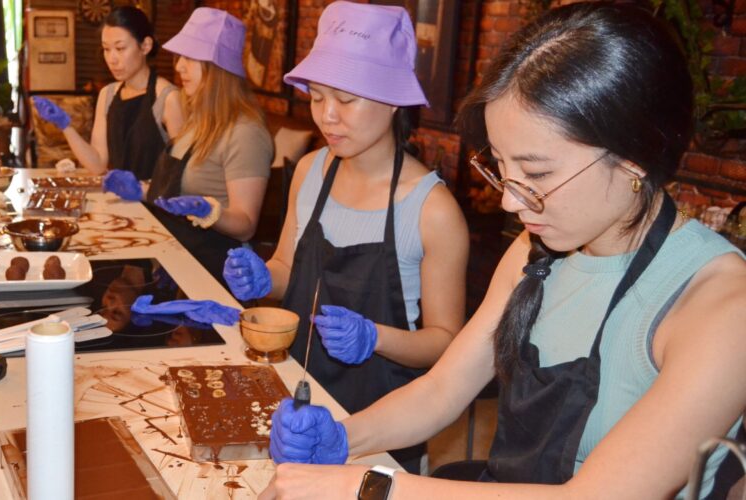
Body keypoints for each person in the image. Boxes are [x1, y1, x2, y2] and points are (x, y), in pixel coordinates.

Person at [262, 3, 746, 499]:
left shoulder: (721, 308)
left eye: (535, 175)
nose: (509, 201)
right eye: (499, 166)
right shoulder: (534, 251)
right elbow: (442, 389)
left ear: (635, 158)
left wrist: (372, 488)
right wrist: (345, 437)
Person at [221, 1, 468, 472]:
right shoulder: (311, 171)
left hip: (383, 427)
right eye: (316, 97)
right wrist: (261, 278)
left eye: (346, 99)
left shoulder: (431, 210)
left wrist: (375, 337)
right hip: (294, 401)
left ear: (394, 99)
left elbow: (445, 341)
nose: (327, 116)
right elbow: (288, 272)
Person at [108, 7, 273, 283]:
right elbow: (178, 190)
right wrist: (143, 190)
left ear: (219, 68)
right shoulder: (198, 121)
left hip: (214, 271)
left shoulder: (246, 133)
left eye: (189, 58)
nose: (178, 66)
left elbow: (245, 226)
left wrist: (211, 212)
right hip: (177, 262)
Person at [31, 6, 183, 180]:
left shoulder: (167, 97)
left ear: (145, 46)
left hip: (154, 204)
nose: (112, 59)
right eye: (106, 49)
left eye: (120, 48)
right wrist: (65, 126)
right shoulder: (108, 94)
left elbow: (180, 172)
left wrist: (144, 191)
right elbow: (97, 164)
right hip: (119, 202)